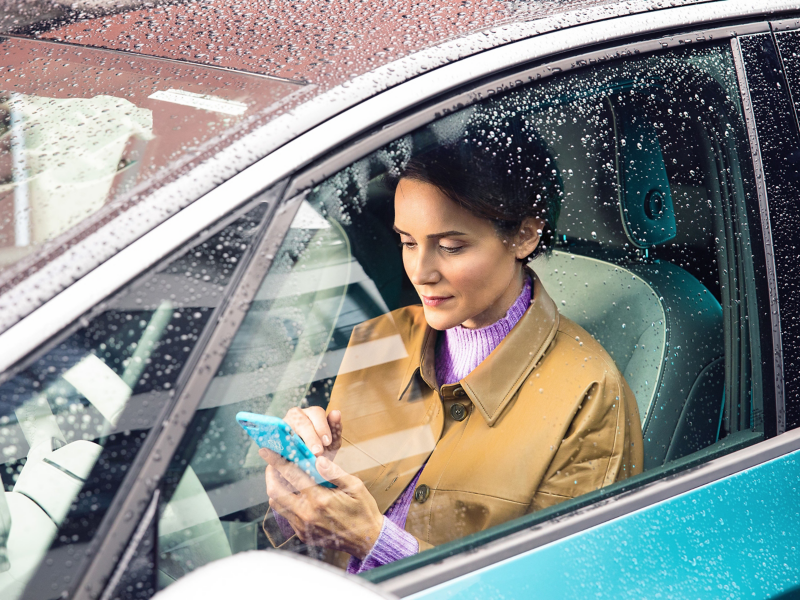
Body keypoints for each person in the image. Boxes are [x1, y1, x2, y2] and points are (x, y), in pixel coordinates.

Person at [259, 119, 644, 573]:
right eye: (406, 242)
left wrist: (373, 540)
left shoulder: (592, 395)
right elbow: (318, 544)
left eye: (451, 246)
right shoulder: (381, 338)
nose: (419, 271)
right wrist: (298, 498)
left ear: (524, 235)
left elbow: (561, 583)